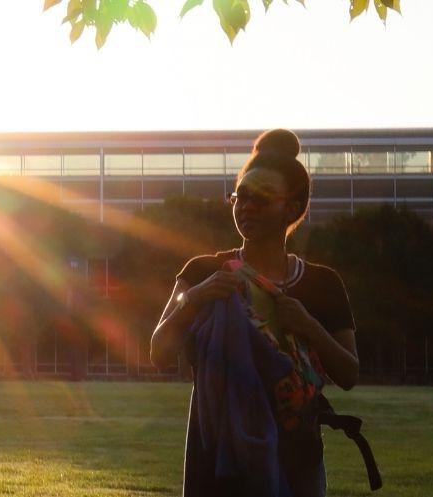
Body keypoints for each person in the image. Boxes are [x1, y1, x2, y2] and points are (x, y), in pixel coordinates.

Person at [148, 129, 362, 496]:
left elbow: (349, 372)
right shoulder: (203, 272)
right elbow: (158, 352)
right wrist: (196, 298)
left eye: (260, 198)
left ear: (292, 208)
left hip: (296, 460)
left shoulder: (321, 283)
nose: (245, 207)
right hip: (217, 455)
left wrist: (309, 327)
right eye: (240, 197)